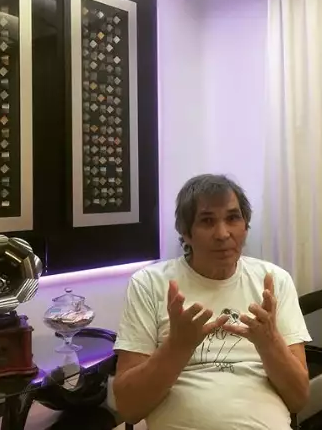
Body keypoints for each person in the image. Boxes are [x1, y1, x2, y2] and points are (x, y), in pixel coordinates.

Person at [113, 174, 311, 430]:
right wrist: (178, 346)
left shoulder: (274, 281)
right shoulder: (149, 283)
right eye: (207, 221)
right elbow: (129, 408)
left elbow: (298, 399)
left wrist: (269, 342)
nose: (222, 234)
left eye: (233, 218)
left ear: (245, 226)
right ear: (186, 233)